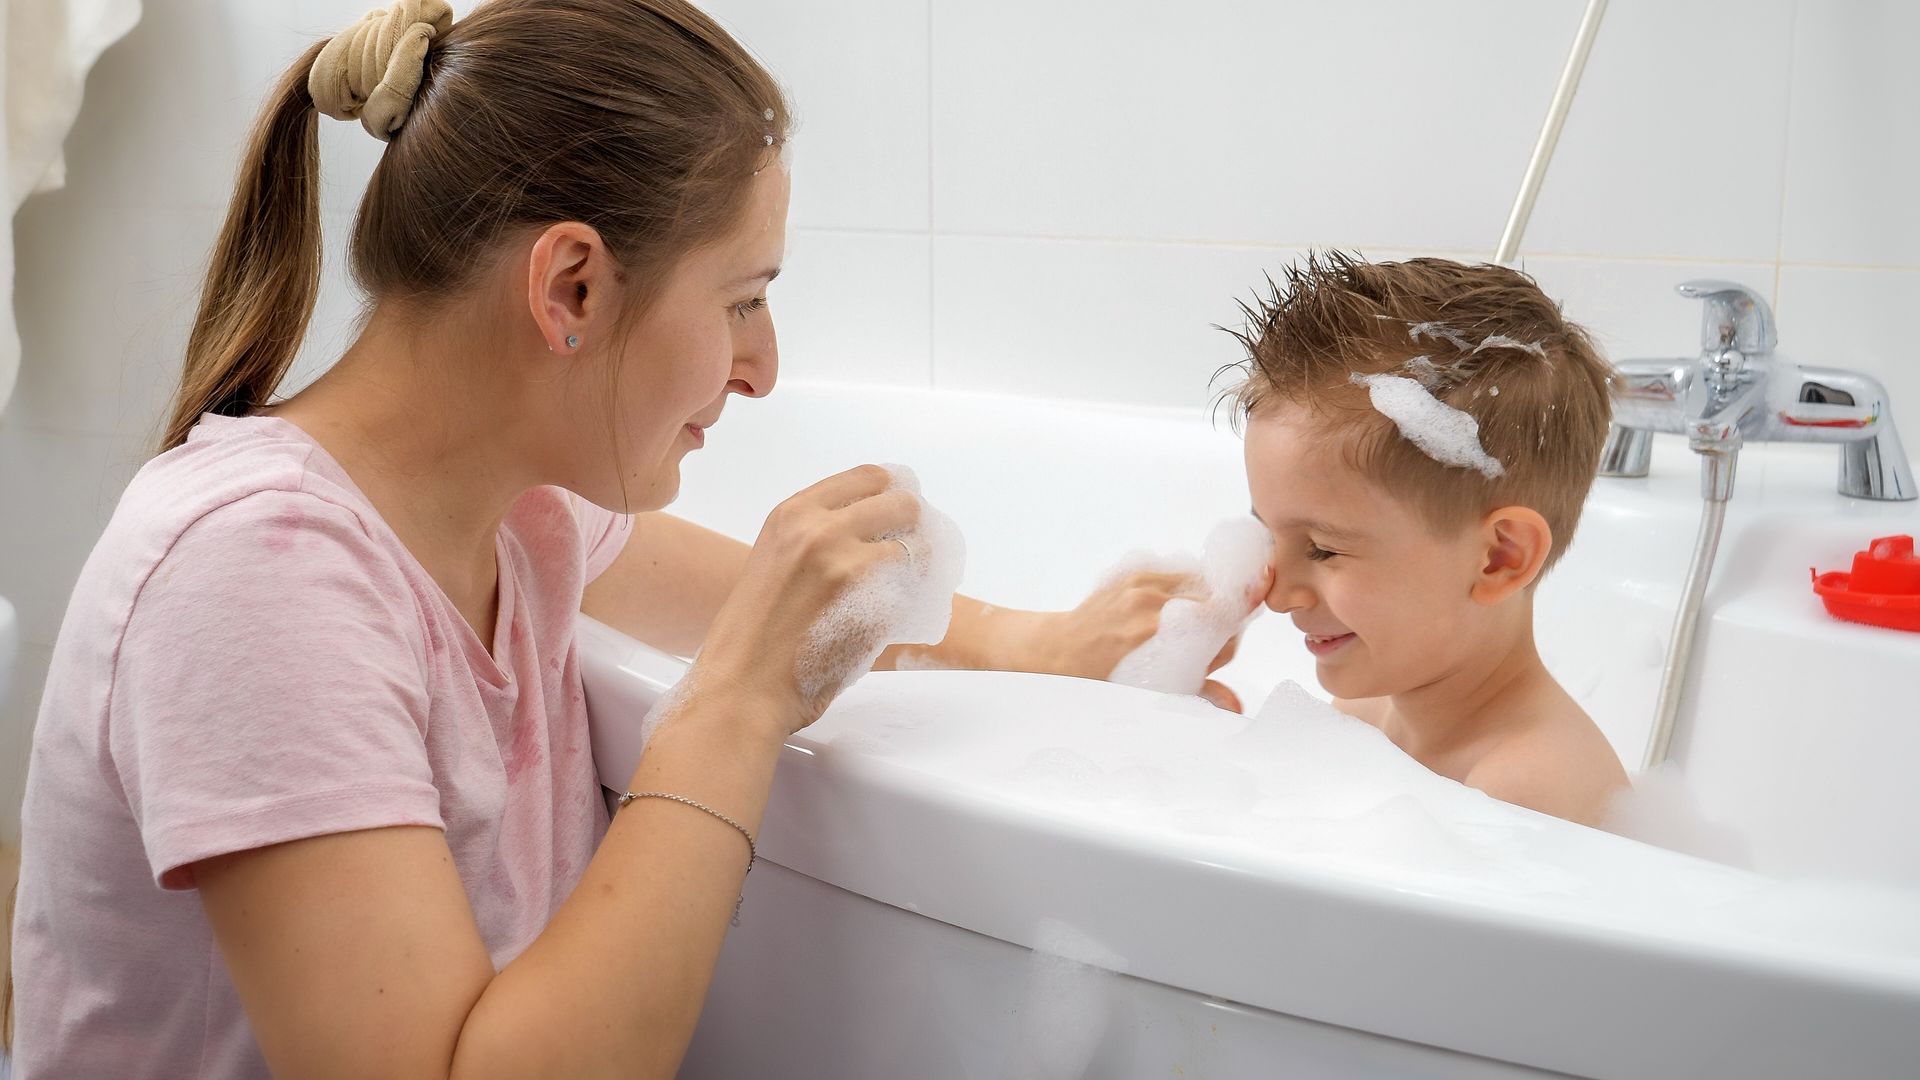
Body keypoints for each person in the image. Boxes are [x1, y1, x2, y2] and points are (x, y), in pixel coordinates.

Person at [3, 2, 1223, 1076]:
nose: (764, 369)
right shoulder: (253, 573)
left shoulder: (518, 508)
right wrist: (732, 709)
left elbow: (756, 600)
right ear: (572, 288)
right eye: (744, 298)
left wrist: (1044, 642)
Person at [1231, 251, 1630, 826]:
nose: (1276, 593)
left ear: (1500, 558)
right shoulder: (1365, 709)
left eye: (1322, 549)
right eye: (1268, 534)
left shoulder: (1528, 790)